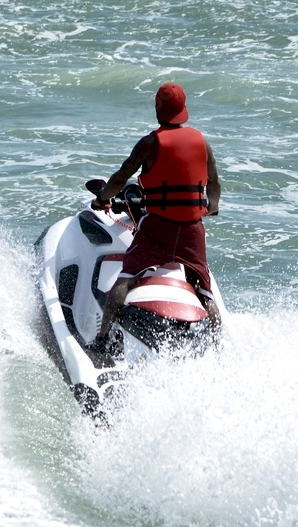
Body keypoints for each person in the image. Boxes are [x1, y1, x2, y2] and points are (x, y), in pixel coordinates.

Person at [87, 82, 221, 354]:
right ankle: (219, 349)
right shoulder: (202, 141)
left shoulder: (150, 143)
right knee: (205, 291)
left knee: (126, 278)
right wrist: (212, 207)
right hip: (191, 230)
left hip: (158, 226)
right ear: (183, 109)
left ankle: (102, 339)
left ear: (158, 109)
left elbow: (120, 178)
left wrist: (102, 200)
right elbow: (214, 182)